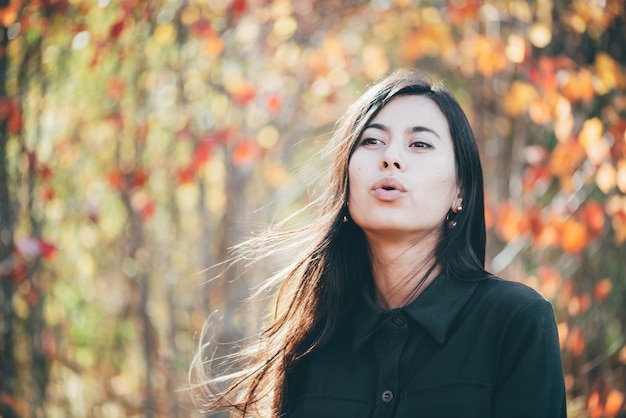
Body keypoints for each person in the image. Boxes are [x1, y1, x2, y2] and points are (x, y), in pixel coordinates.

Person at [191, 68, 567, 417]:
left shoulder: (515, 321)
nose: (391, 158)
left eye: (420, 144)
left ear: (460, 191)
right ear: (347, 178)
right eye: (372, 141)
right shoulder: (311, 339)